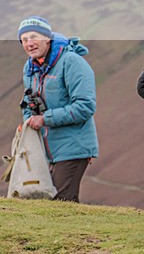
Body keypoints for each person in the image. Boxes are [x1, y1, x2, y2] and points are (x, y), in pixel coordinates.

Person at [18, 15, 98, 203]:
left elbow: (85, 106)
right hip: (45, 149)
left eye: (34, 37)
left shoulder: (71, 62)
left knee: (60, 203)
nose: (29, 43)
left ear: (48, 38)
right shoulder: (30, 67)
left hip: (73, 147)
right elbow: (27, 101)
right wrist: (28, 122)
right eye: (24, 39)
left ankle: (79, 233)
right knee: (47, 202)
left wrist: (44, 119)